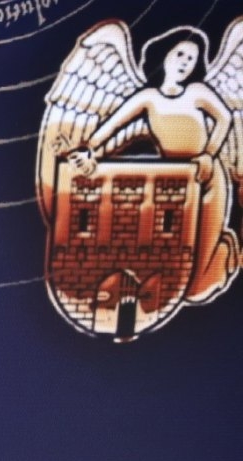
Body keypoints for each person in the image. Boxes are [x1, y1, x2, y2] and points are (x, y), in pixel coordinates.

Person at [66, 27, 238, 304]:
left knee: (201, 267)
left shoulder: (196, 92)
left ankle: (224, 253)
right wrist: (90, 150)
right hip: (174, 182)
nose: (185, 62)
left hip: (207, 177)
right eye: (180, 54)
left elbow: (225, 118)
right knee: (181, 255)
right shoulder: (148, 98)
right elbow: (112, 125)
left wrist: (209, 154)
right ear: (165, 54)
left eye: (191, 59)